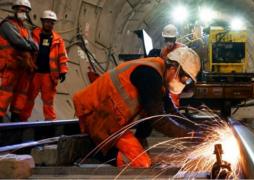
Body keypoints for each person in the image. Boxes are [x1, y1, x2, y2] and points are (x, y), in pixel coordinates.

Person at [73, 47, 201, 168]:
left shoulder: (159, 75)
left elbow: (172, 112)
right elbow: (158, 119)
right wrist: (190, 135)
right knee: (141, 162)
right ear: (174, 67)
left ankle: (102, 146)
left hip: (111, 118)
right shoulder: (150, 75)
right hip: (96, 113)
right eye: (185, 78)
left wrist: (199, 130)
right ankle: (91, 150)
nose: (185, 82)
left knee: (142, 153)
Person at [20, 10, 69, 121]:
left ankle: (50, 122)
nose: (49, 24)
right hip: (35, 73)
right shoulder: (34, 34)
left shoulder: (58, 39)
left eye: (51, 22)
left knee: (48, 101)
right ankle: (23, 119)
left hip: (49, 75)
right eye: (47, 22)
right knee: (29, 97)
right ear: (42, 22)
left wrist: (63, 71)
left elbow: (62, 56)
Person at [0, 0, 38, 123]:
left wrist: (30, 45)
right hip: (10, 67)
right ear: (15, 10)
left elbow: (35, 45)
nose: (24, 13)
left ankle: (15, 119)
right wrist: (30, 45)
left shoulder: (25, 29)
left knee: (21, 94)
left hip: (22, 68)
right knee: (5, 93)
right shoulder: (7, 25)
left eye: (26, 11)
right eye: (21, 10)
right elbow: (18, 42)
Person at [160, 24, 187, 108]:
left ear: (175, 38)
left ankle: (174, 114)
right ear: (164, 39)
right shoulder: (163, 51)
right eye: (167, 39)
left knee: (173, 102)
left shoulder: (182, 49)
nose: (169, 42)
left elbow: (187, 65)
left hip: (177, 81)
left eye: (171, 39)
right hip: (166, 82)